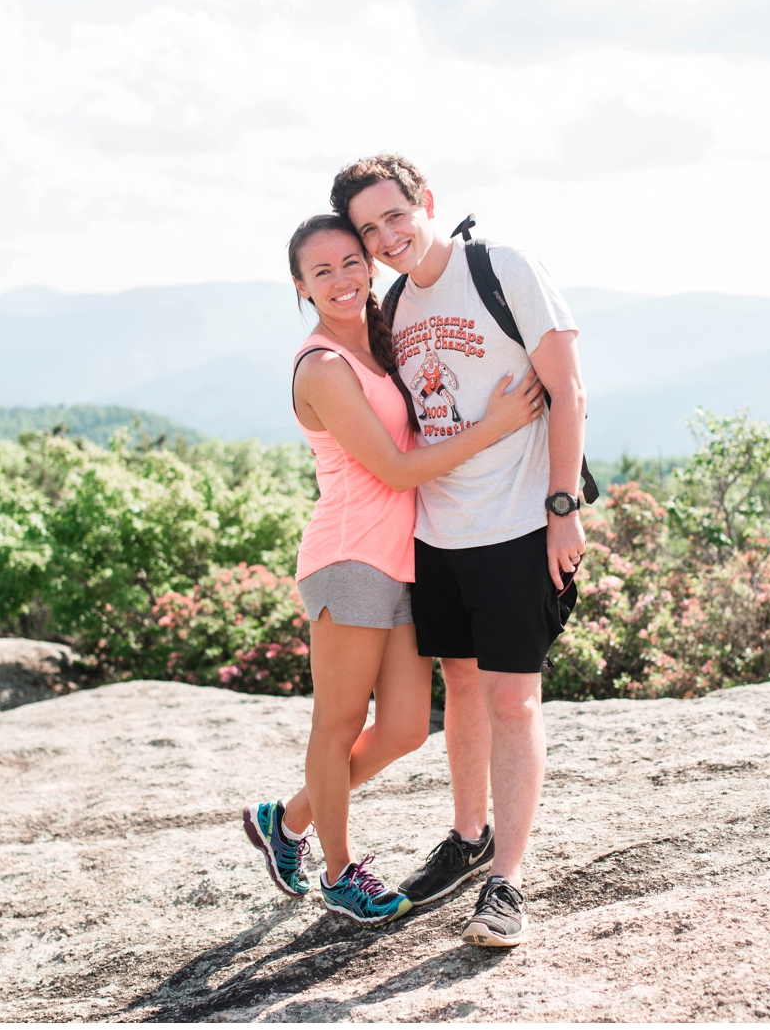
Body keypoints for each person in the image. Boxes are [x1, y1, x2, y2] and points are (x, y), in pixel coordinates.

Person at [244, 213, 545, 928]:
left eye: (352, 261)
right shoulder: (322, 365)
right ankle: (338, 870)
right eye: (323, 272)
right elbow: (395, 466)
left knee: (408, 725)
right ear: (300, 287)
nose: (344, 278)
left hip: (405, 555)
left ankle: (284, 820)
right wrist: (499, 425)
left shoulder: (381, 336)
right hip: (350, 557)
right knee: (340, 719)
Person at [332, 154, 587, 947]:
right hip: (439, 529)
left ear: (426, 202)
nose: (386, 237)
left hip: (517, 523)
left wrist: (563, 508)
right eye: (369, 230)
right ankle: (468, 834)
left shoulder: (503, 268)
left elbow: (569, 388)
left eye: (394, 217)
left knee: (514, 699)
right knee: (462, 687)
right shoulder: (396, 304)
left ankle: (507, 878)